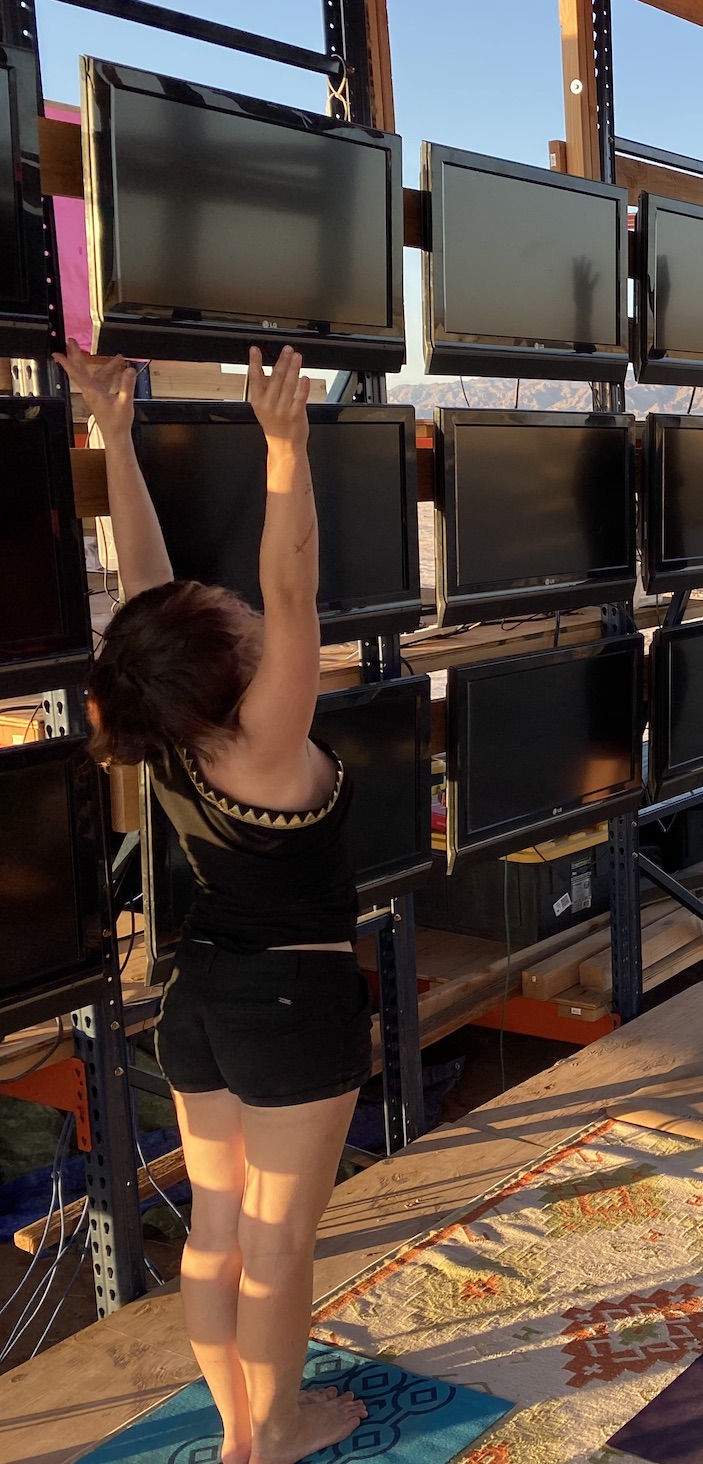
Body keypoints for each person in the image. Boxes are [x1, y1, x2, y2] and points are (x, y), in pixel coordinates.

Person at [62, 340, 371, 1463]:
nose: (235, 605)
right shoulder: (262, 741)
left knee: (222, 1233)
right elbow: (293, 588)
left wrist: (116, 434)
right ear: (225, 657)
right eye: (219, 613)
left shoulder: (169, 726)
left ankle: (239, 1433)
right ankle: (276, 1433)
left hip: (201, 1002)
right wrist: (286, 452)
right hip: (292, 1005)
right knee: (280, 1245)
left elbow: (146, 589)